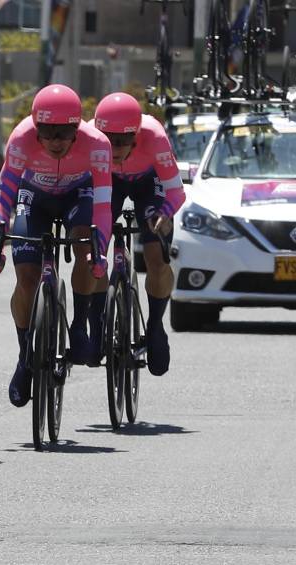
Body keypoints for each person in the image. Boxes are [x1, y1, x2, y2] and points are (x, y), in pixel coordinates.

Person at [0, 84, 113, 407]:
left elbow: (102, 206)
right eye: (47, 133)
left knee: (85, 249)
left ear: (77, 129)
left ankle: (79, 323)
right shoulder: (20, 138)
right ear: (36, 128)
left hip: (78, 196)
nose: (55, 141)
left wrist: (99, 250)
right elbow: (3, 196)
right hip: (35, 199)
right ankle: (24, 354)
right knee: (27, 279)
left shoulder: (97, 144)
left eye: (64, 133)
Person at [92, 92, 186, 375]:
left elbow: (177, 192)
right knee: (92, 248)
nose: (116, 146)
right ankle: (96, 324)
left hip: (149, 182)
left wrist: (164, 214)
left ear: (137, 133)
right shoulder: (90, 139)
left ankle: (155, 325)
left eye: (123, 140)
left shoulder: (154, 137)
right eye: (108, 139)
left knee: (156, 254)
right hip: (110, 181)